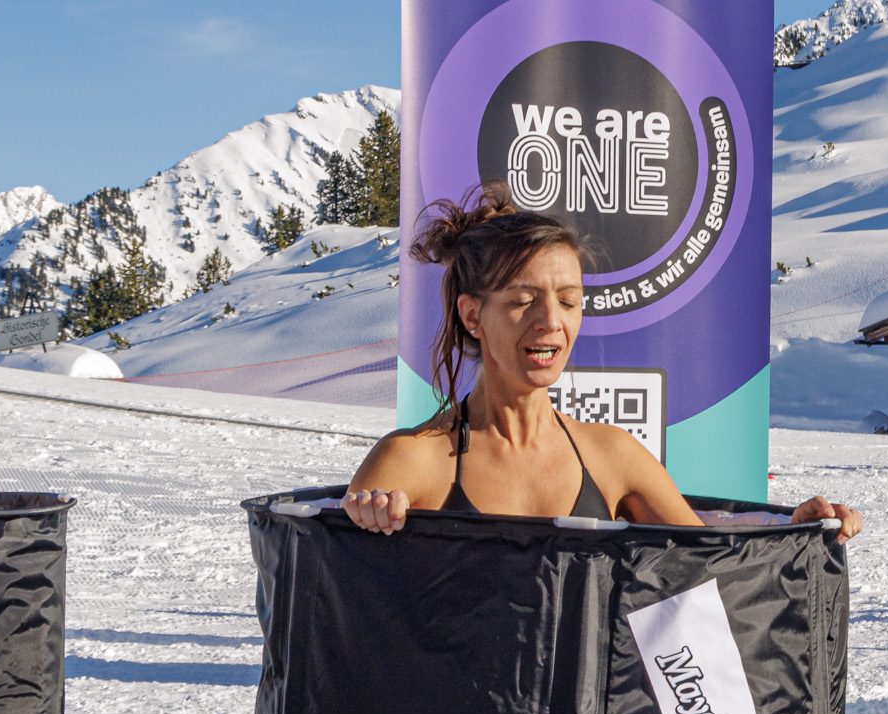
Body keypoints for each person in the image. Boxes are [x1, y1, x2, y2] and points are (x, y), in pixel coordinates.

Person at [342, 189, 860, 539]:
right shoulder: (412, 461)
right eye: (524, 300)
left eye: (568, 301)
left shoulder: (613, 455)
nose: (551, 322)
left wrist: (790, 532)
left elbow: (706, 555)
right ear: (472, 314)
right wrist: (364, 523)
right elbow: (344, 627)